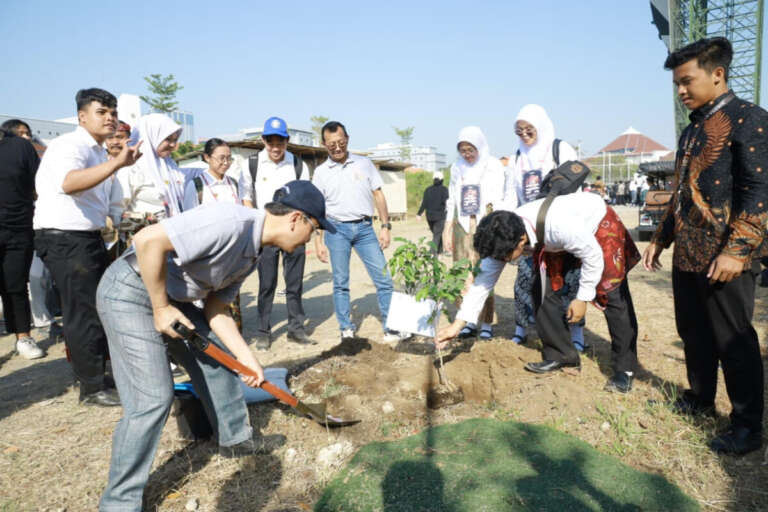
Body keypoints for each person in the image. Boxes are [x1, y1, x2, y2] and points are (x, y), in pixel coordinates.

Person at [96, 180, 334, 510]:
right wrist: (160, 308)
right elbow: (147, 240)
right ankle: (118, 503)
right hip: (131, 292)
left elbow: (216, 309)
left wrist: (247, 358)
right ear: (296, 219)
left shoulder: (252, 253)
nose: (311, 238)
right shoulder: (230, 222)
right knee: (152, 398)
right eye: (314, 229)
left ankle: (235, 440)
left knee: (219, 361)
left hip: (173, 299)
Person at [642, 37, 768, 455]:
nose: (681, 91)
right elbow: (682, 191)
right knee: (694, 332)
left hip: (726, 257)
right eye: (676, 84)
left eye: (687, 81)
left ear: (717, 74)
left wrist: (738, 250)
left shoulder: (750, 119)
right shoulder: (692, 129)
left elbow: (759, 190)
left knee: (733, 340)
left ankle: (747, 426)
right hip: (689, 253)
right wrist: (661, 239)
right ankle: (699, 399)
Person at [437, 187, 641, 393]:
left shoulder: (560, 227)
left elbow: (593, 256)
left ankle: (625, 369)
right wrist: (457, 324)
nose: (502, 261)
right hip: (555, 239)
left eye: (504, 257)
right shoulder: (503, 236)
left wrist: (582, 298)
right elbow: (482, 284)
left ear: (521, 241)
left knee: (613, 294)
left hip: (596, 223)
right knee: (541, 290)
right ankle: (562, 355)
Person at [33, 88, 141, 406]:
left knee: (97, 307)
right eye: (101, 112)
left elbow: (103, 202)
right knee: (82, 312)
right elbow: (70, 183)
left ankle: (98, 376)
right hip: (65, 238)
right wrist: (117, 163)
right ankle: (92, 388)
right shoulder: (70, 145)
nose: (110, 118)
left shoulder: (97, 152)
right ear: (82, 117)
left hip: (86, 238)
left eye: (113, 112)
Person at [312, 121, 408, 343]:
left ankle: (390, 328)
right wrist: (318, 240)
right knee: (340, 282)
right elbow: (317, 208)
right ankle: (346, 329)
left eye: (341, 142)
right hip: (336, 230)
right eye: (332, 144)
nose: (337, 147)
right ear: (324, 144)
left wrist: (385, 226)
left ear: (347, 139)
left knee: (383, 279)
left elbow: (378, 195)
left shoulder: (364, 163)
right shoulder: (320, 172)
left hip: (365, 229)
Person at [507, 105, 585, 349]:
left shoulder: (559, 149)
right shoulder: (517, 157)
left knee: (569, 281)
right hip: (528, 230)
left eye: (529, 129)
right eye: (519, 131)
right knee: (524, 282)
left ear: (540, 126)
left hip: (560, 227)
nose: (524, 135)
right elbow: (511, 195)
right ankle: (521, 329)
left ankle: (576, 335)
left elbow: (576, 187)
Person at [243, 117, 313, 350]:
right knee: (266, 284)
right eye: (271, 142)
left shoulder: (298, 165)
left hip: (293, 232)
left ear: (287, 141)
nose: (275, 147)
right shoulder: (252, 164)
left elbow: (305, 199)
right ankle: (263, 331)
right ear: (263, 140)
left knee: (294, 284)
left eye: (280, 142)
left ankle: (296, 329)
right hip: (266, 234)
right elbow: (246, 198)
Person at [442, 126, 506, 340]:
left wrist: (495, 225)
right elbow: (452, 198)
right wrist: (447, 228)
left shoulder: (493, 165)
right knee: (462, 273)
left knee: (483, 272)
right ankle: (468, 321)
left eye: (471, 149)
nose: (467, 154)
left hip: (484, 224)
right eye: (463, 150)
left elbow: (498, 196)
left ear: (479, 146)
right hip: (462, 225)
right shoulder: (457, 167)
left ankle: (486, 322)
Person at [182, 138, 252, 333]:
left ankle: (235, 339)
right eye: (221, 158)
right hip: (208, 255)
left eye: (229, 158)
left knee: (230, 298)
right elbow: (188, 222)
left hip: (231, 254)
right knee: (208, 302)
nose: (226, 163)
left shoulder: (233, 184)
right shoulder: (196, 186)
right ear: (207, 157)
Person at [0, 122, 43, 358]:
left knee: (15, 285)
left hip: (18, 228)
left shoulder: (20, 146)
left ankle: (23, 336)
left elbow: (40, 185)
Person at [417, 171, 449, 255]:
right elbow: (446, 202)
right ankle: (432, 253)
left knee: (436, 234)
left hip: (429, 217)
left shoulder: (428, 189)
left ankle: (440, 250)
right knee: (437, 235)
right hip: (440, 216)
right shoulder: (444, 189)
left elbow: (424, 203)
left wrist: (419, 214)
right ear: (442, 180)